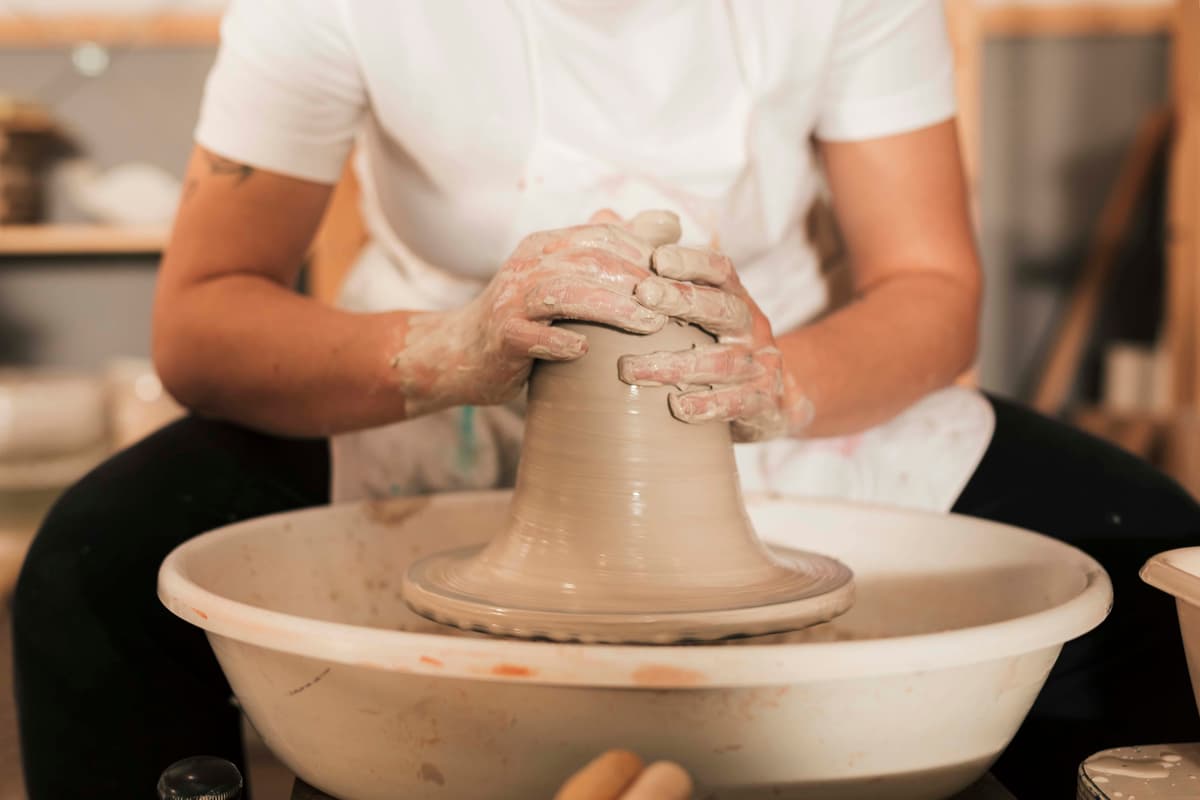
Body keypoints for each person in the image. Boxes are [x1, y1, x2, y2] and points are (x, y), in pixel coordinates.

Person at [11, 1, 1199, 797]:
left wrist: (786, 381)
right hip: (433, 390)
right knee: (97, 564)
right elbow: (203, 318)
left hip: (772, 379)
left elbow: (932, 285)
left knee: (1145, 552)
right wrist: (448, 348)